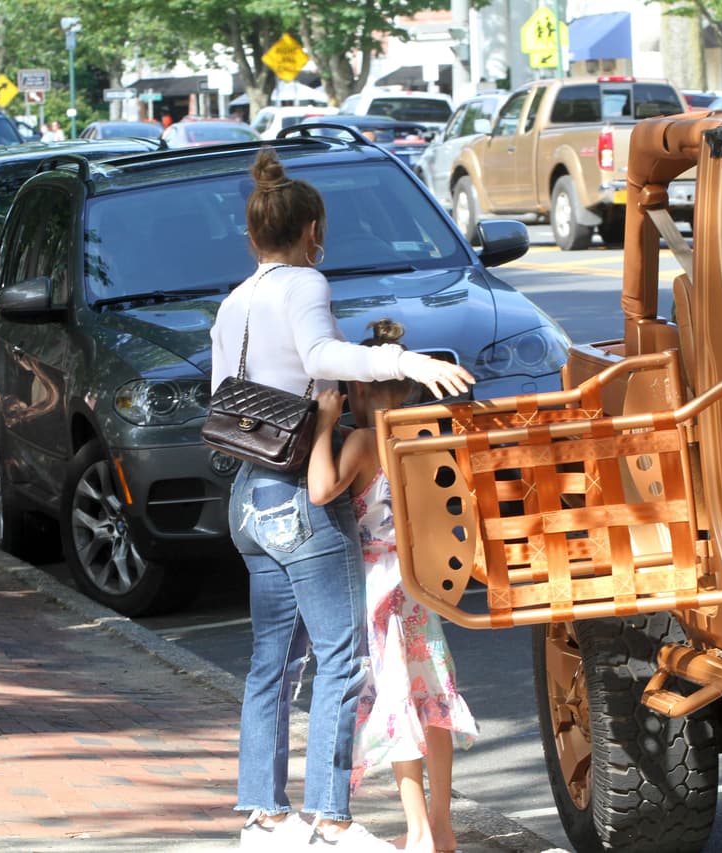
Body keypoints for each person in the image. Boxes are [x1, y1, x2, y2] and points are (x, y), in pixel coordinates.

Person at [212, 147, 475, 852]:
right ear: (312, 231)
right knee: (343, 656)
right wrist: (406, 362)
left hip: (247, 498)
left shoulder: (233, 303)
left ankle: (265, 814)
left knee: (273, 661)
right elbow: (325, 359)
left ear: (252, 236)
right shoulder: (304, 285)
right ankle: (330, 819)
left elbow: (222, 398)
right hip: (300, 500)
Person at [306, 319, 479, 853]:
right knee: (433, 698)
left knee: (399, 701)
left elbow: (319, 491)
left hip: (378, 586)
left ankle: (420, 831)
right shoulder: (423, 436)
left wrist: (321, 425)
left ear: (358, 390)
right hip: (421, 579)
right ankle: (442, 822)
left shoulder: (361, 441)